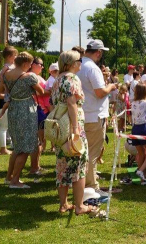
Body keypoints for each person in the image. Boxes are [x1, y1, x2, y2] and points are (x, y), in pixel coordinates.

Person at [50, 50, 101, 216]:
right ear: (72, 63)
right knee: (79, 164)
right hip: (72, 126)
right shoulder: (72, 79)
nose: (81, 62)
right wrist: (76, 130)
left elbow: (55, 104)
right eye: (79, 60)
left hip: (60, 127)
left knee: (62, 164)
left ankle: (64, 204)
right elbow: (72, 103)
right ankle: (79, 206)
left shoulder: (58, 80)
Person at [78, 39, 117, 196]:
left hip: (82, 115)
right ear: (98, 52)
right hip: (94, 116)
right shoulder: (92, 68)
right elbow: (100, 92)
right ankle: (92, 188)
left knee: (84, 153)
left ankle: (86, 186)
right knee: (92, 154)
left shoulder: (79, 66)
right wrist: (111, 86)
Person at [2, 52, 44, 189]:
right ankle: (15, 181)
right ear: (26, 64)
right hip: (26, 110)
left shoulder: (6, 74)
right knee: (25, 148)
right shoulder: (29, 77)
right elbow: (41, 92)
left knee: (17, 146)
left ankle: (9, 177)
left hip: (13, 109)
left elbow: (7, 91)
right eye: (31, 64)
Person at [130, 83, 146, 185]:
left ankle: (143, 180)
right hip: (143, 129)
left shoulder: (133, 103)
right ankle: (140, 170)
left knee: (141, 154)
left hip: (134, 129)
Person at [29, 57, 50, 175]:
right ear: (33, 64)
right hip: (38, 109)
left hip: (41, 109)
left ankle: (36, 166)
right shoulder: (31, 76)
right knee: (39, 140)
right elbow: (38, 92)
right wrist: (52, 91)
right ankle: (34, 167)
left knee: (41, 140)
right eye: (40, 64)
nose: (42, 67)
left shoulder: (36, 76)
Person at [0, 46, 18, 155]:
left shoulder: (11, 67)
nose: (16, 57)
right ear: (10, 56)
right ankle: (2, 149)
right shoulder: (6, 69)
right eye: (15, 55)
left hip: (8, 102)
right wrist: (5, 85)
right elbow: (1, 77)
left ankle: (10, 146)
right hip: (3, 104)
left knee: (8, 126)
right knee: (4, 127)